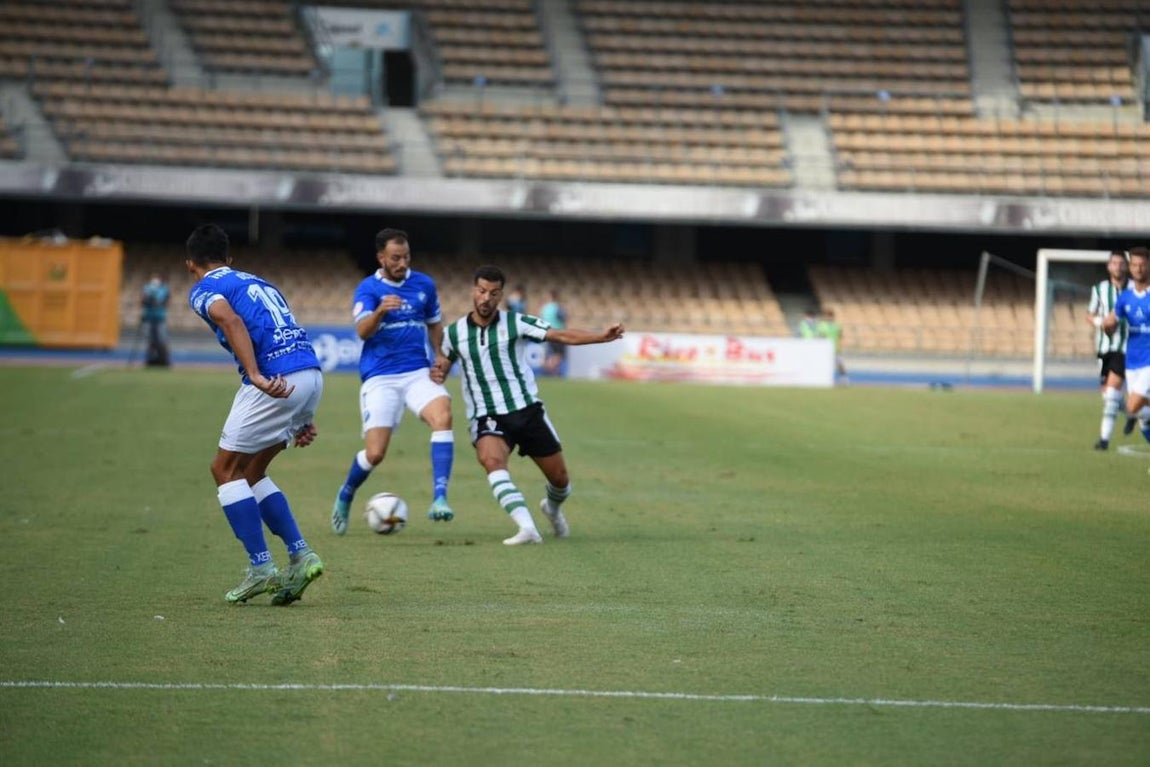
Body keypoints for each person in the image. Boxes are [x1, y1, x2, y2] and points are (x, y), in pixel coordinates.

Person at [431, 265, 624, 545]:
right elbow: (443, 364)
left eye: (494, 293)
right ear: (473, 290)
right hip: (487, 415)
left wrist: (600, 336)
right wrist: (438, 372)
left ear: (501, 295)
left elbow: (560, 335)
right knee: (491, 460)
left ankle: (552, 509)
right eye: (482, 291)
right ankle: (526, 527)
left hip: (527, 411)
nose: (486, 298)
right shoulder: (453, 333)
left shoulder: (516, 323)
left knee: (560, 480)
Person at [185, 223, 324, 605]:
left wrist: (258, 376)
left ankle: (261, 567)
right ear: (229, 259)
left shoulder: (204, 288)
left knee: (224, 470)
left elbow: (229, 320)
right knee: (252, 471)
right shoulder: (259, 282)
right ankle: (300, 555)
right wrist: (302, 415)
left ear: (190, 265)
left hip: (275, 379)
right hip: (309, 374)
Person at [330, 228, 455, 535]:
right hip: (381, 377)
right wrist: (380, 311)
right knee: (375, 454)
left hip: (417, 372)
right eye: (395, 258)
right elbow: (362, 331)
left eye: (406, 257)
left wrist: (440, 355)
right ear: (381, 258)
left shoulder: (424, 284)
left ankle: (440, 497)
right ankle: (346, 492)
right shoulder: (368, 289)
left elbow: (435, 324)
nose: (402, 263)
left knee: (443, 416)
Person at [1086, 249, 1137, 450]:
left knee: (1113, 391)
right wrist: (1102, 322)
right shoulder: (1099, 289)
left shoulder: (1136, 289)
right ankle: (1133, 413)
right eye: (1114, 263)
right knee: (1108, 395)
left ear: (1127, 266)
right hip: (1105, 348)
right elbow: (1089, 315)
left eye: (1121, 263)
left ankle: (1104, 439)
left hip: (1127, 348)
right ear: (1109, 266)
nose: (1118, 267)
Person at [1104, 246, 1150, 450]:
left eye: (1142, 265)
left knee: (1132, 406)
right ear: (1130, 267)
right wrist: (1108, 326)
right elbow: (1111, 324)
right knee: (1143, 419)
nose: (1138, 269)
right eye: (1135, 265)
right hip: (1132, 362)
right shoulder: (1125, 298)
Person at [140, 273, 171, 367]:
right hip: (148, 317)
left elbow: (164, 301)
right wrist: (147, 296)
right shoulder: (146, 288)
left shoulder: (164, 289)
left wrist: (155, 295)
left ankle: (164, 360)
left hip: (160, 318)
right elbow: (143, 301)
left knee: (162, 339)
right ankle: (150, 359)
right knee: (149, 339)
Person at [539, 289, 567, 375]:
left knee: (549, 352)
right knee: (558, 354)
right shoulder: (558, 307)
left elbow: (541, 320)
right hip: (558, 333)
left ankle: (546, 366)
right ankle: (549, 368)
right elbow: (563, 318)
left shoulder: (544, 308)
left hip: (547, 332)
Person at [817, 307, 848, 385]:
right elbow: (820, 336)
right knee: (825, 365)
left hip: (836, 349)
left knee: (840, 364)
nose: (828, 317)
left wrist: (840, 345)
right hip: (825, 349)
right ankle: (825, 379)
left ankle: (844, 379)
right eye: (827, 316)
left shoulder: (837, 325)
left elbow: (840, 336)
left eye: (830, 316)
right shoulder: (822, 325)